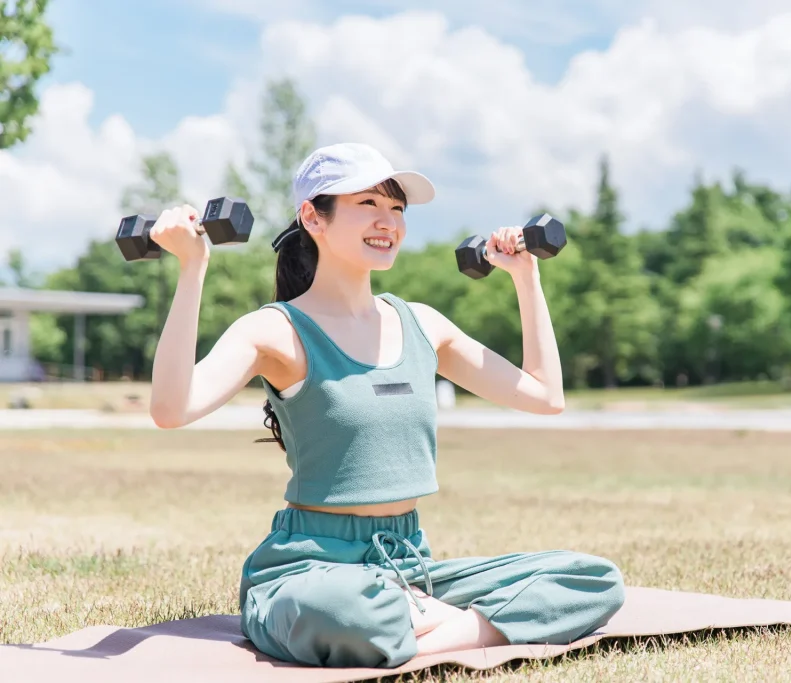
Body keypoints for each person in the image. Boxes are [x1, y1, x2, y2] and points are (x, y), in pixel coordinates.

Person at [147, 142, 626, 669]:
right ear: (314, 217)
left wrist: (525, 279)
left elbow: (545, 396)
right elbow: (172, 408)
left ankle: (418, 630)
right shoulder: (276, 329)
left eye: (396, 209)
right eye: (368, 205)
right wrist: (192, 269)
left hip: (408, 567)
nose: (388, 222)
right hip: (310, 571)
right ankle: (429, 624)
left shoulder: (423, 324)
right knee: (353, 613)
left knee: (592, 580)